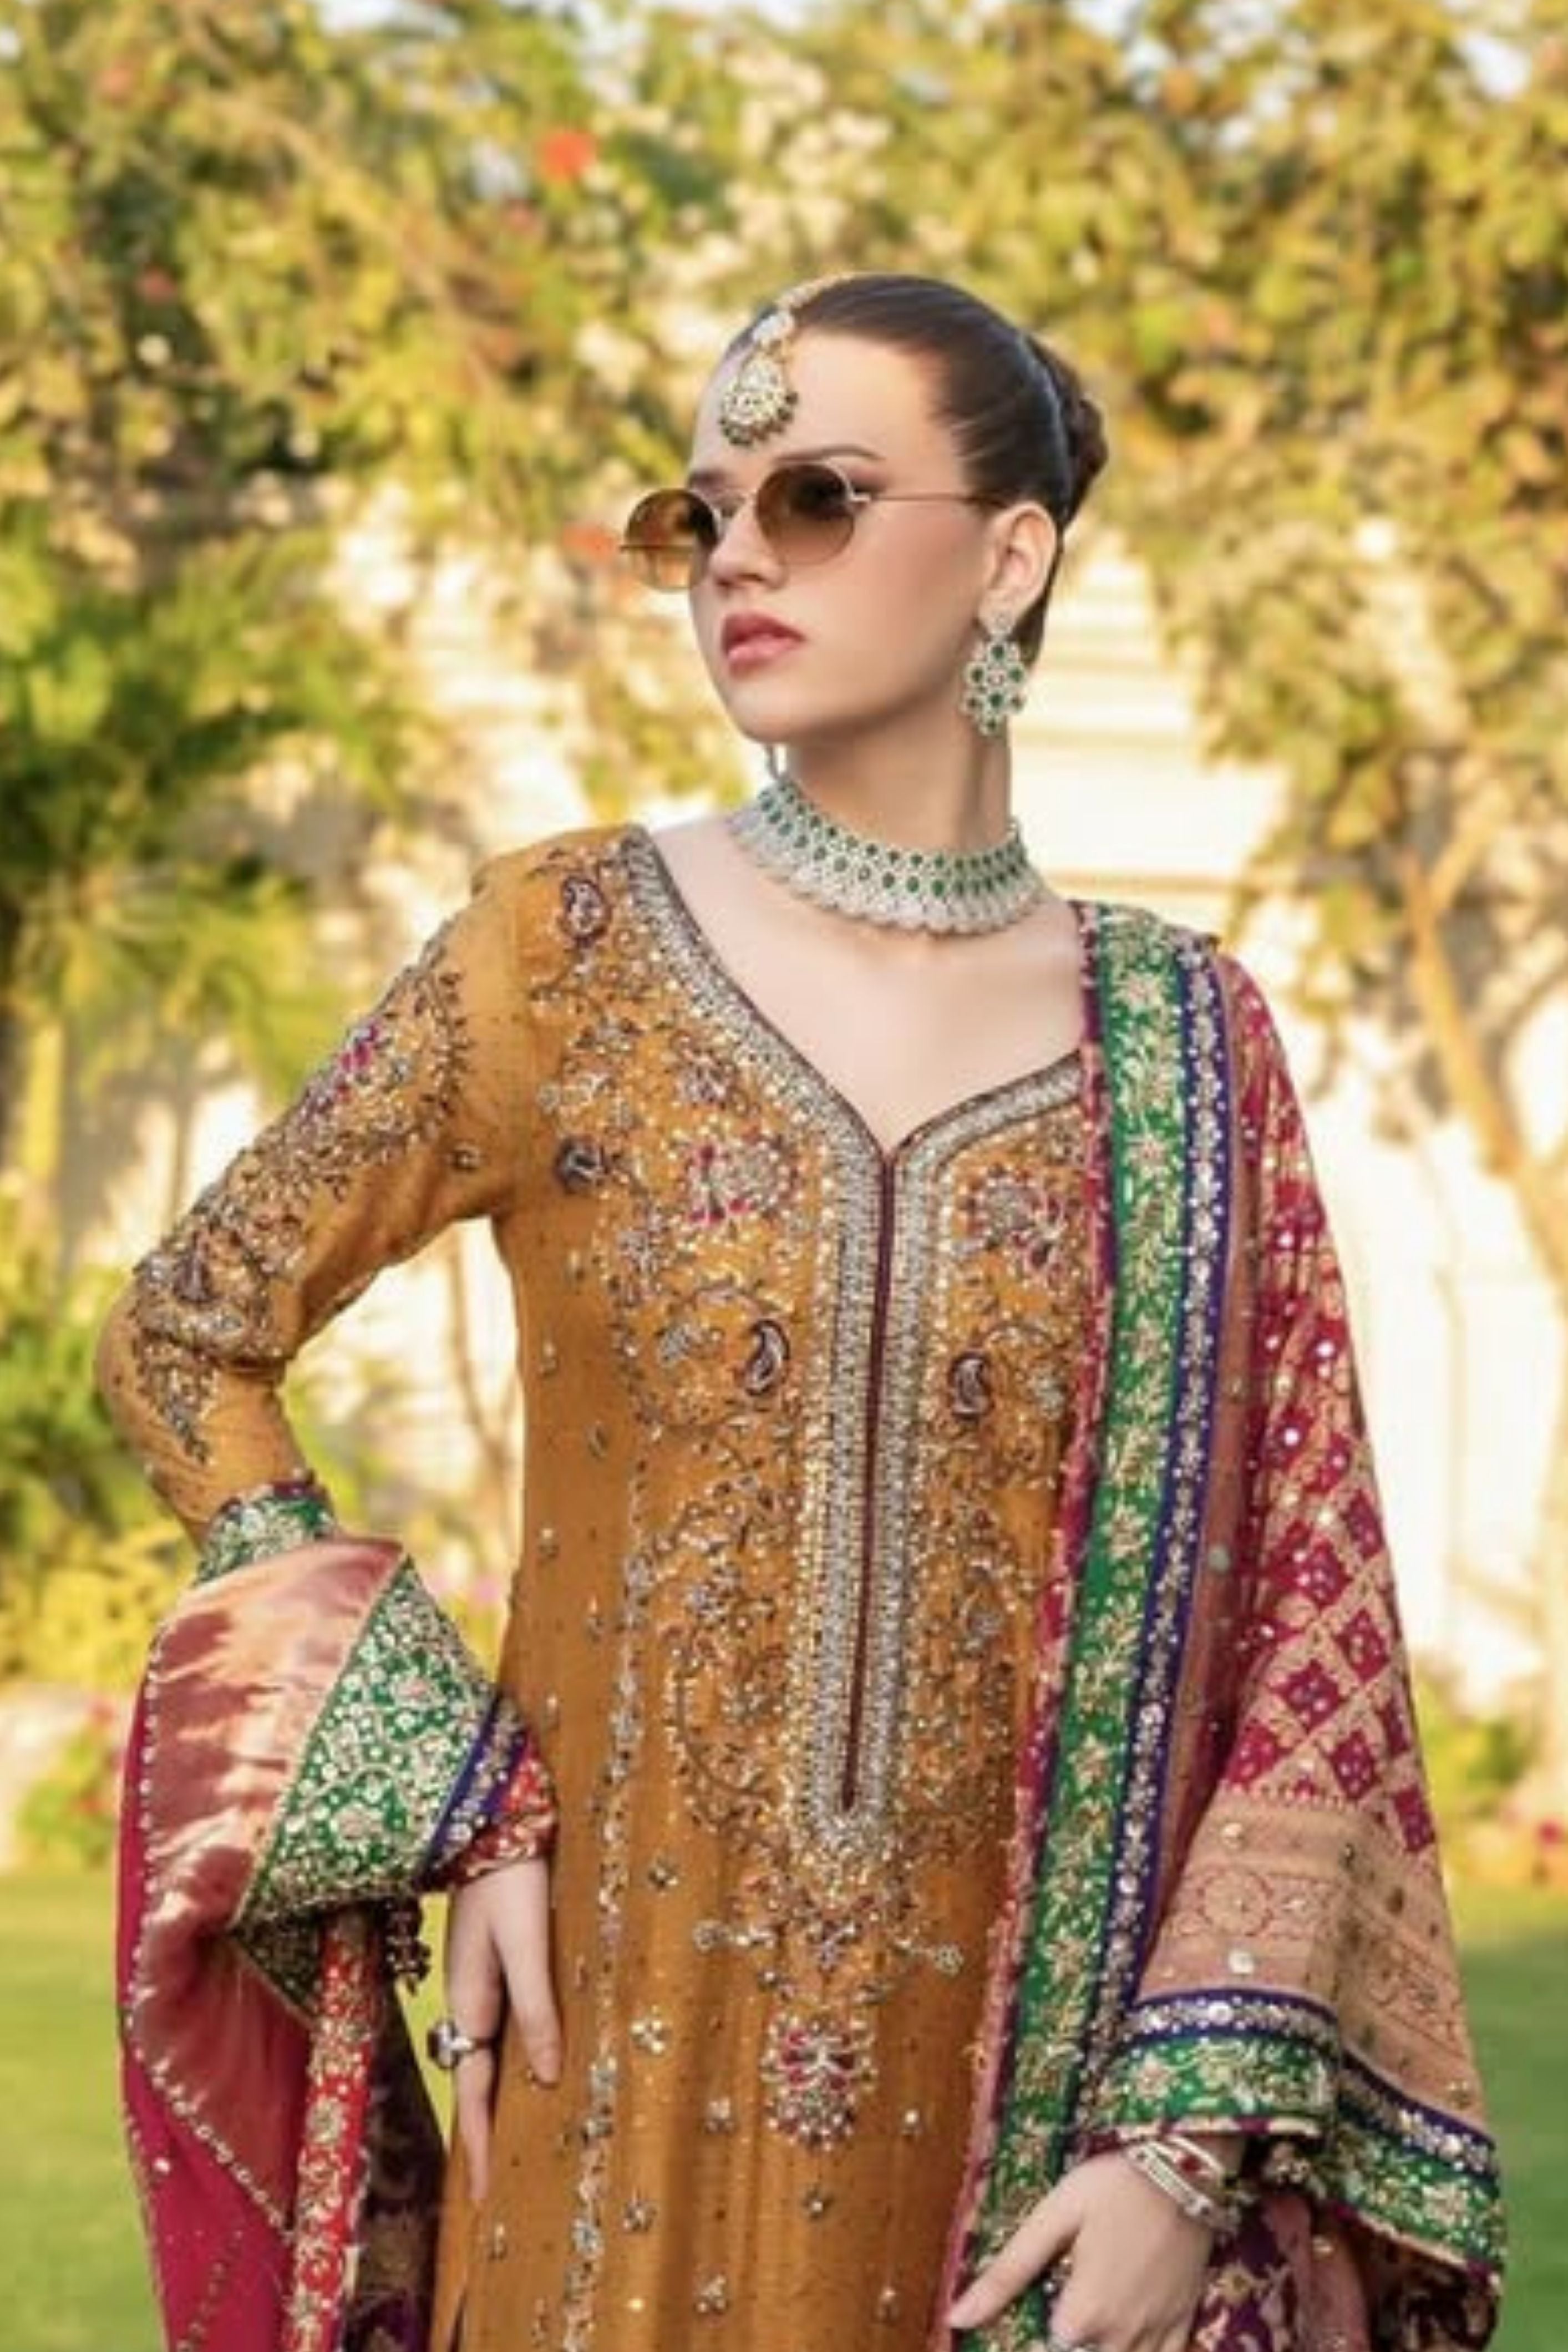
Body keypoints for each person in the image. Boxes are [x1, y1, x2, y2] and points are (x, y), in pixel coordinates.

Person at [99, 272, 1504, 2352]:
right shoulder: (558, 951)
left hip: (1035, 2156)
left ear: (1010, 558)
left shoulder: (1187, 1046)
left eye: (819, 496)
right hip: (603, 2079)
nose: (737, 552)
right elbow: (182, 1336)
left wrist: (1173, 2163)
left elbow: (1308, 1619)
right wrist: (444, 1774)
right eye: (702, 511)